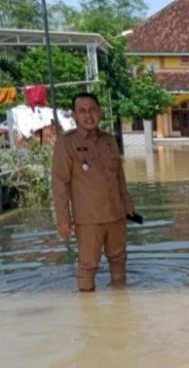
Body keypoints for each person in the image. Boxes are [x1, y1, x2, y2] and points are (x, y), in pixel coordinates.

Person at [52, 92, 135, 292]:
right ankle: (88, 312)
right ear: (74, 116)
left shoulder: (109, 140)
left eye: (92, 110)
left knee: (119, 259)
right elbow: (59, 183)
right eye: (82, 111)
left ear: (100, 113)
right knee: (88, 266)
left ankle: (121, 303)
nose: (88, 115)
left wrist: (128, 204)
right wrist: (64, 219)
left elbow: (119, 177)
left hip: (115, 214)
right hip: (88, 219)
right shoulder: (66, 143)